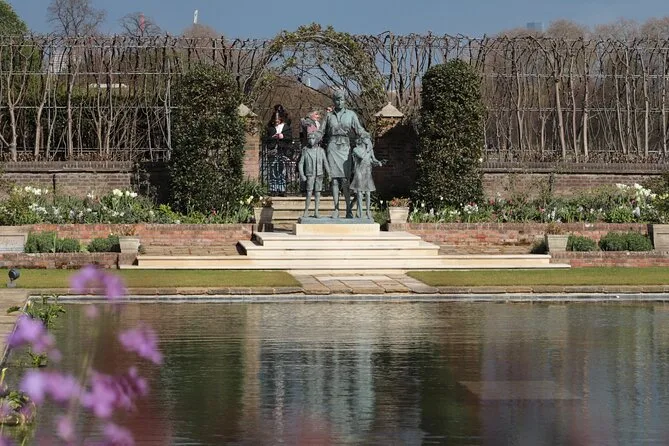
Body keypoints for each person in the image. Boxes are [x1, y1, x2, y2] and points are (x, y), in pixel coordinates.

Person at [319, 90, 369, 218]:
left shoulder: (351, 114)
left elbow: (359, 129)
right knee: (334, 180)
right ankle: (336, 208)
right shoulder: (329, 116)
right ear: (333, 101)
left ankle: (348, 209)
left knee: (345, 180)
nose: (339, 102)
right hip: (332, 147)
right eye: (337, 99)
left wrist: (366, 135)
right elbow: (321, 131)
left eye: (341, 99)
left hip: (345, 148)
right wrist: (313, 136)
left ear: (344, 100)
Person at [298, 130, 330, 218]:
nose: (311, 140)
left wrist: (329, 174)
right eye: (309, 139)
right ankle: (306, 210)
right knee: (309, 193)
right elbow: (301, 163)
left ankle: (316, 211)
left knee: (317, 193)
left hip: (319, 175)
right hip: (310, 175)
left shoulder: (321, 151)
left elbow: (325, 163)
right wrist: (302, 175)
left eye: (313, 138)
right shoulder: (305, 150)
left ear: (316, 140)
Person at [350, 134, 384, 219]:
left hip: (367, 171)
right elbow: (361, 156)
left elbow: (373, 159)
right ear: (362, 140)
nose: (369, 140)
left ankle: (368, 211)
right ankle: (360, 212)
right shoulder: (356, 149)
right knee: (360, 192)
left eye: (369, 139)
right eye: (367, 138)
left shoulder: (370, 150)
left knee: (368, 192)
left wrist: (378, 162)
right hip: (359, 171)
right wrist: (367, 149)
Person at [265, 107, 292, 196]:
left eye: (278, 119)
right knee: (273, 170)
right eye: (275, 119)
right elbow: (265, 139)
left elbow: (290, 138)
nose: (276, 121)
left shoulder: (286, 127)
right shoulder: (270, 128)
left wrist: (282, 136)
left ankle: (281, 189)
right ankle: (273, 189)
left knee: (281, 170)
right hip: (273, 150)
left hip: (282, 150)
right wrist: (272, 137)